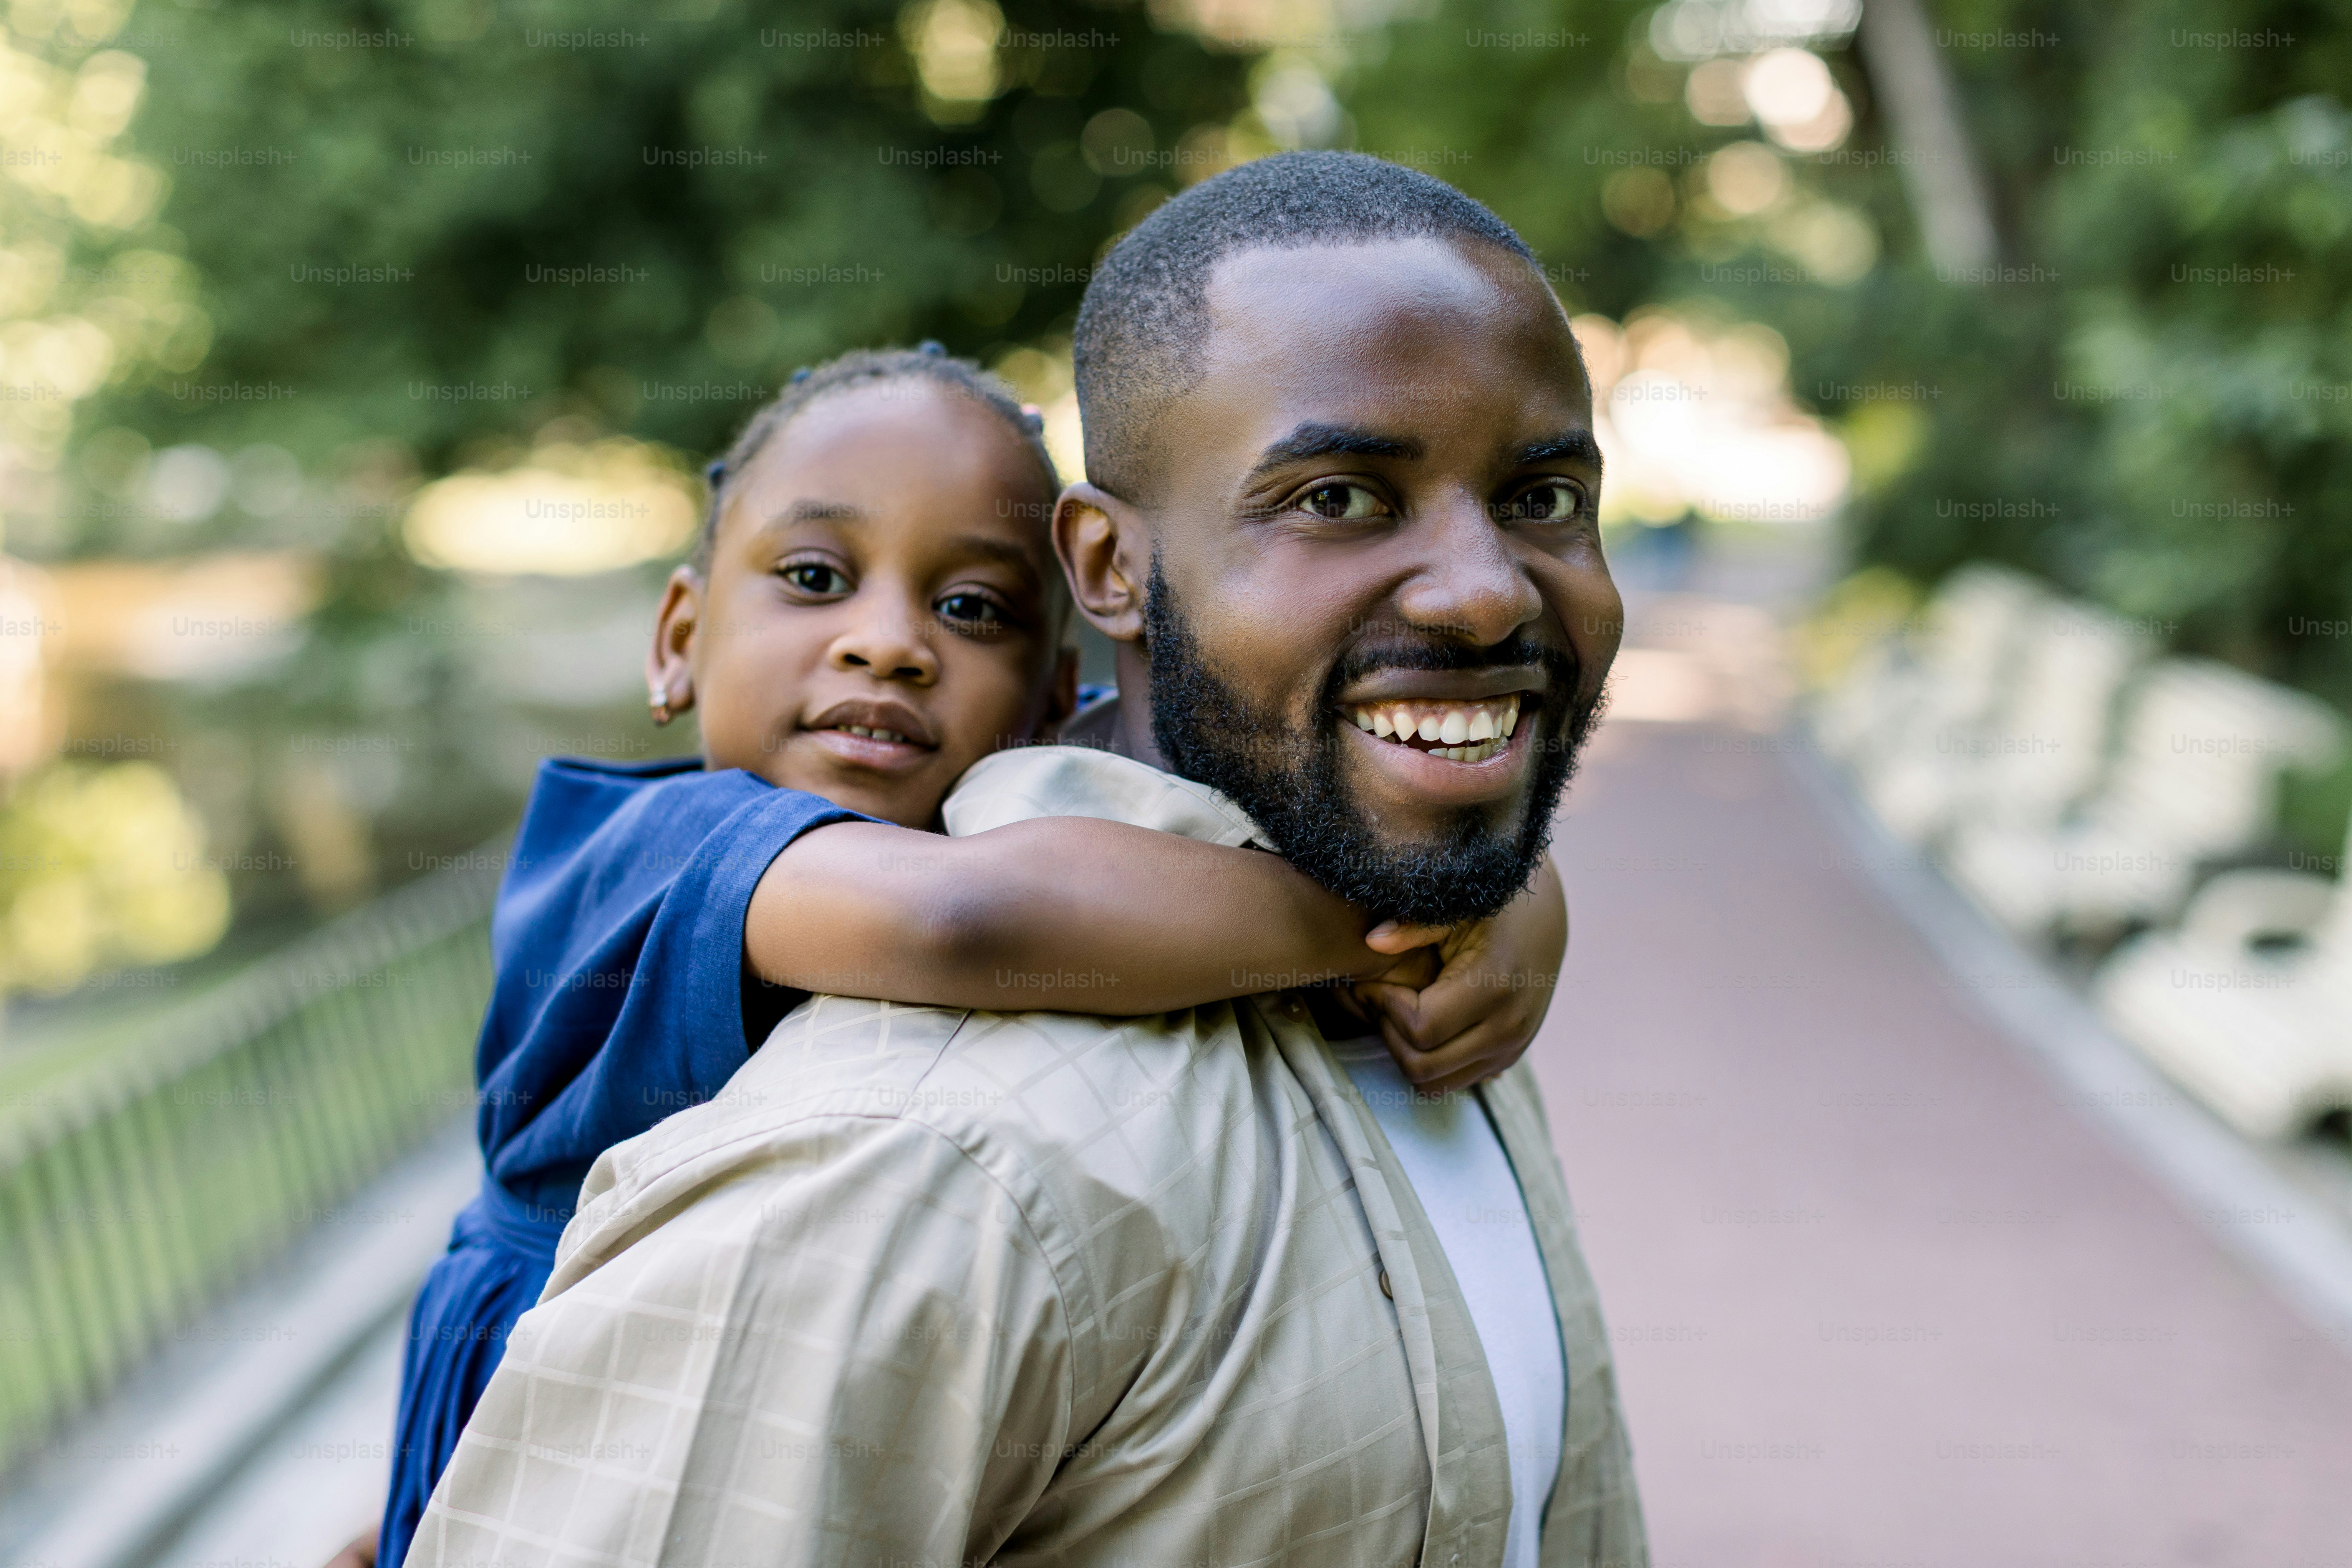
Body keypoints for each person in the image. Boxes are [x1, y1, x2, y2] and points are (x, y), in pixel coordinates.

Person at [408, 151, 1645, 1568]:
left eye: (1543, 497)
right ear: (1112, 572)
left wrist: (1494, 896)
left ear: (1052, 668)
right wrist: (1394, 921)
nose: (1485, 590)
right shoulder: (899, 1136)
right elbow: (966, 919)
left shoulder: (1436, 993)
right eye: (1340, 497)